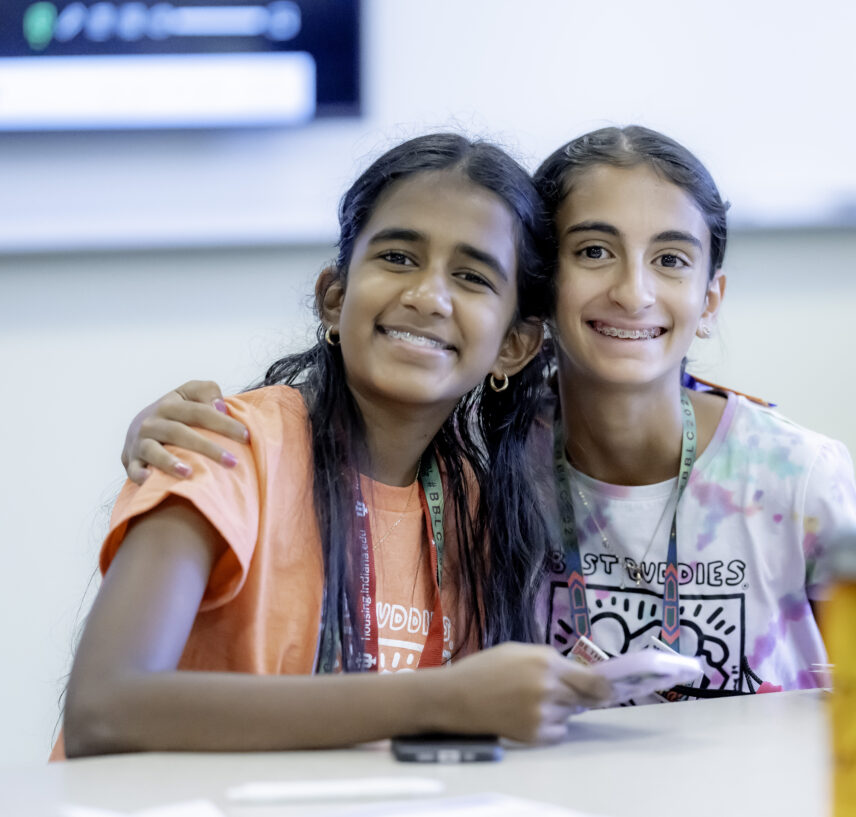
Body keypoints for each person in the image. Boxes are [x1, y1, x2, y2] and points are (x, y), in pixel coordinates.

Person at [119, 126, 856, 702]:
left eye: (670, 259)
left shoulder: (797, 477)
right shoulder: (489, 465)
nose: (634, 291)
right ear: (535, 305)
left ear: (710, 299)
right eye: (595, 250)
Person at [57, 133, 610, 759]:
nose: (428, 295)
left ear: (514, 345)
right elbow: (105, 709)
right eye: (399, 257)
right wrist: (442, 699)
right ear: (335, 297)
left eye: (472, 275)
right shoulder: (225, 445)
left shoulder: (480, 511)